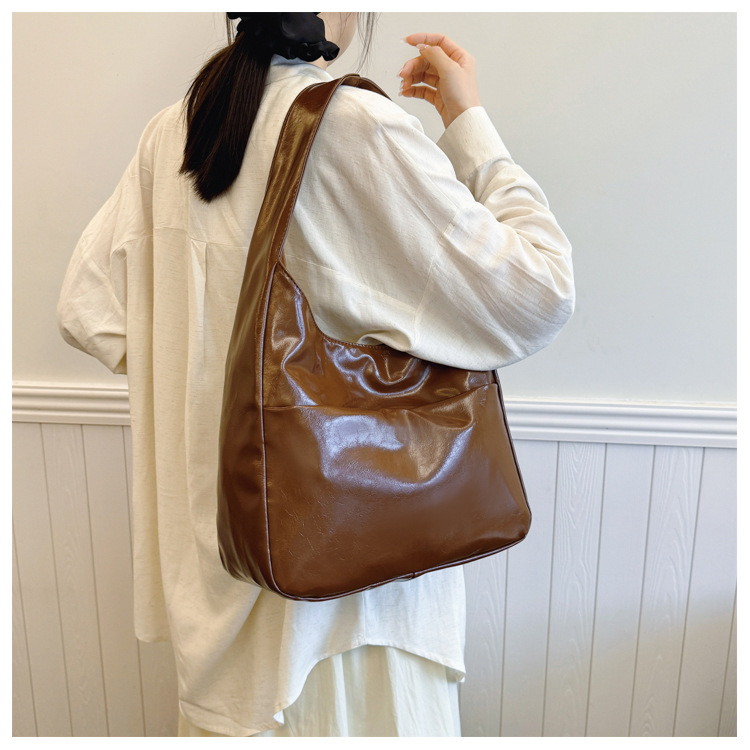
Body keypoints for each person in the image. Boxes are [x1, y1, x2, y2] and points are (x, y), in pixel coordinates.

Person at [57, 12, 574, 737]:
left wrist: (204, 385)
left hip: (214, 608)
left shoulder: (174, 131)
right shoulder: (355, 126)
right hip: (352, 624)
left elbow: (88, 309)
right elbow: (539, 293)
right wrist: (469, 124)